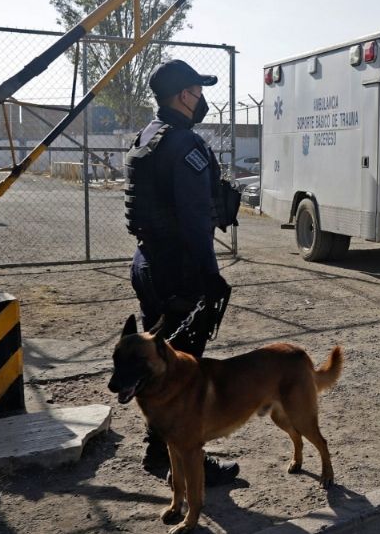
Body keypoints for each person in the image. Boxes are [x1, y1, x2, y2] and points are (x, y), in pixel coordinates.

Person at [123, 59, 238, 486]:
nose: (202, 97)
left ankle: (158, 451)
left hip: (148, 263)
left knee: (159, 364)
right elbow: (193, 217)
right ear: (185, 95)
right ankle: (182, 461)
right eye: (198, 89)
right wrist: (210, 276)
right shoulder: (185, 143)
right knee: (184, 371)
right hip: (179, 269)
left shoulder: (148, 135)